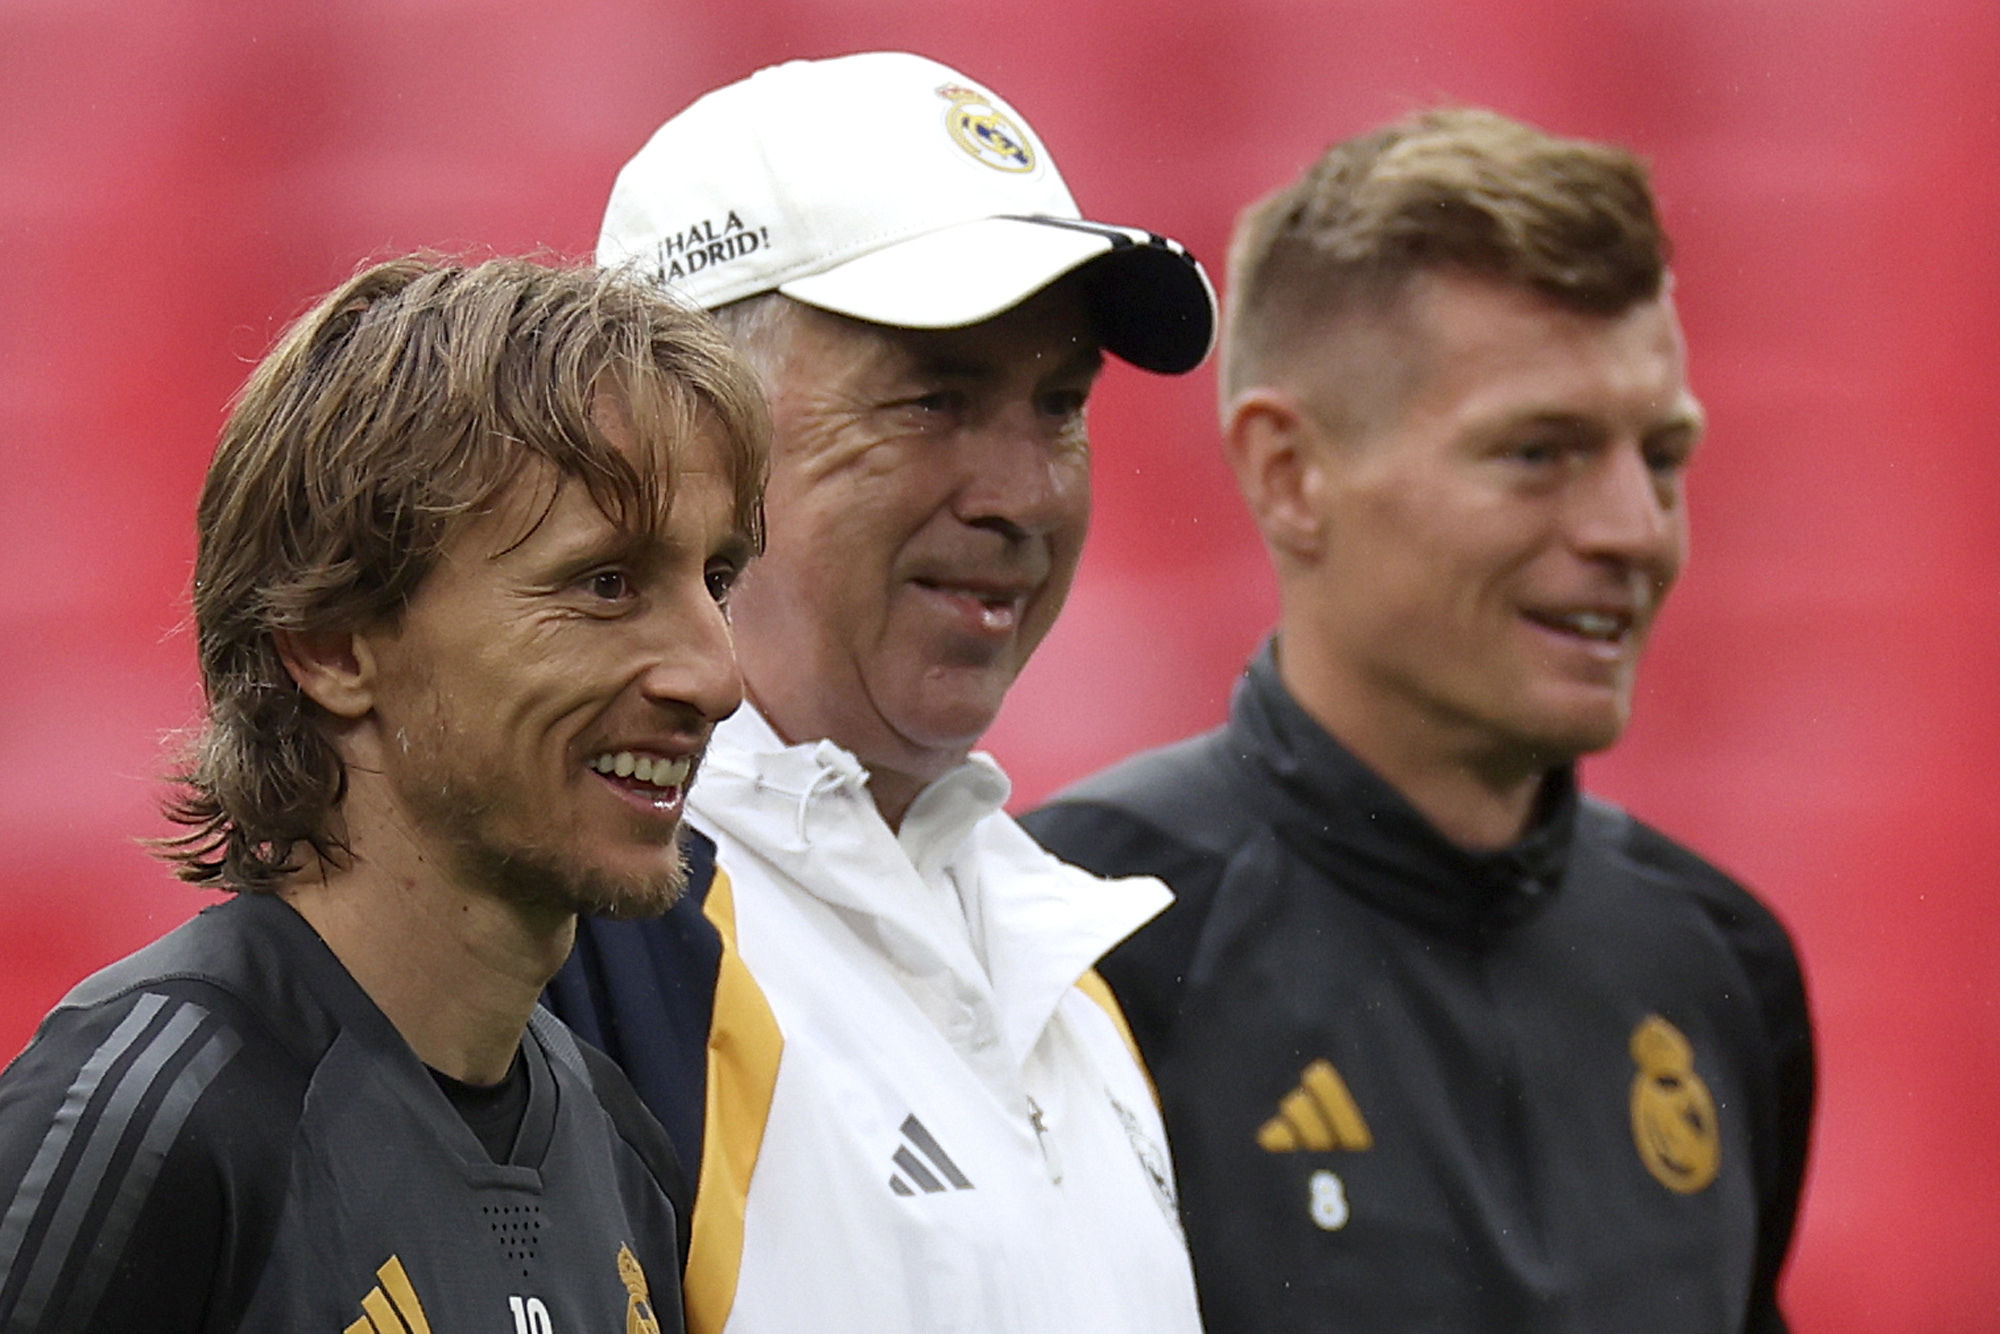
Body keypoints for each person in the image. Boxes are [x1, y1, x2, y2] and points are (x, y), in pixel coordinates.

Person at [1021, 108, 1816, 1333]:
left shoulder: (1716, 962)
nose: (1631, 530)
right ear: (1288, 473)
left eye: (1659, 457)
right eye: (1537, 452)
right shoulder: (1068, 941)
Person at [544, 52, 1215, 1334]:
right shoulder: (573, 949)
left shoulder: (1065, 969)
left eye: (1059, 407)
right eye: (932, 399)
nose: (1021, 493)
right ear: (682, 434)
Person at [0, 255, 769, 1332]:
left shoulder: (621, 1143)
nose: (716, 677)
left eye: (716, 581)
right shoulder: (154, 1121)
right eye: (606, 583)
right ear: (330, 641)